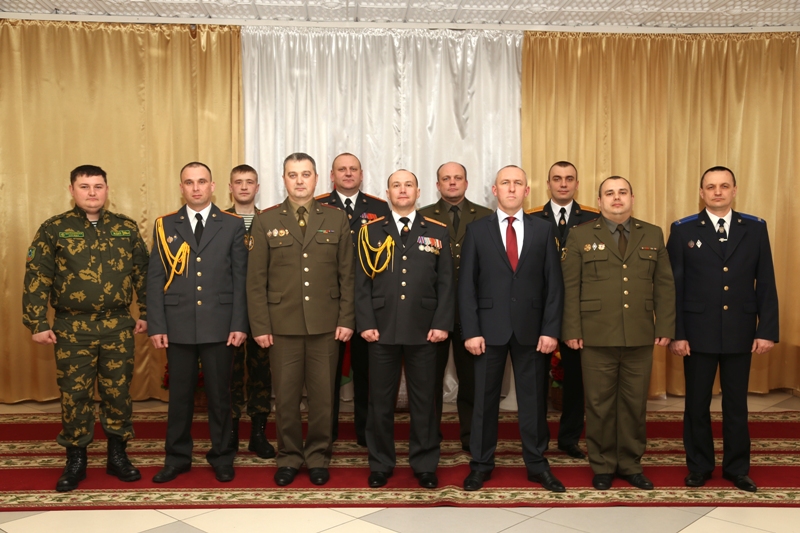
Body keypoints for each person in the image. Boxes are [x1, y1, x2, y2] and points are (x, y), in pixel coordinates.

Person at [23, 164, 148, 492]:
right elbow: (37, 276)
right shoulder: (55, 228)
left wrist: (149, 313)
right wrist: (37, 322)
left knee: (117, 392)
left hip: (117, 324)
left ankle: (117, 455)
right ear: (71, 190)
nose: (92, 193)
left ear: (107, 189)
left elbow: (143, 274)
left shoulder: (125, 228)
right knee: (74, 394)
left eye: (98, 186)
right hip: (72, 326)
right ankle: (76, 459)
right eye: (84, 186)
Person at [667, 166, 779, 493]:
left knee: (736, 405)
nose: (718, 192)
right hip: (696, 333)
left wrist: (766, 329)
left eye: (724, 186)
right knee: (696, 404)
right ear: (701, 192)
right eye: (711, 187)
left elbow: (766, 281)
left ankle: (737, 469)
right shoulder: (683, 230)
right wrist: (677, 333)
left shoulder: (755, 228)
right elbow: (673, 287)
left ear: (734, 190)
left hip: (740, 331)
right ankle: (699, 466)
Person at [247, 152, 355, 487]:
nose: (299, 181)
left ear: (317, 178)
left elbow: (347, 275)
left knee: (323, 399)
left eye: (305, 174)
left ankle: (319, 456)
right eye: (292, 175)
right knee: (286, 399)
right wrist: (260, 326)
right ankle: (290, 457)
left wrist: (347, 319)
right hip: (282, 326)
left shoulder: (336, 219)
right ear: (283, 179)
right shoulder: (266, 220)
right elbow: (256, 281)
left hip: (326, 325)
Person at [561, 176, 675, 491]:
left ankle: (631, 464)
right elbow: (570, 286)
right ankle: (602, 465)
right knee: (599, 404)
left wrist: (665, 325)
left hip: (639, 334)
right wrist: (571, 329)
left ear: (632, 198)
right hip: (595, 335)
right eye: (609, 193)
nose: (616, 198)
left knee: (634, 404)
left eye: (622, 192)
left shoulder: (652, 233)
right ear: (599, 201)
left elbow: (664, 284)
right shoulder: (580, 235)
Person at [459, 165, 565, 492]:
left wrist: (550, 330)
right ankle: (480, 464)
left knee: (533, 402)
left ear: (527, 191)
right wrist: (471, 331)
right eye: (505, 183)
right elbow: (467, 286)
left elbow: (554, 285)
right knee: (484, 401)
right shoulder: (477, 230)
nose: (511, 188)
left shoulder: (543, 230)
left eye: (518, 183)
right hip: (487, 331)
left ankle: (537, 463)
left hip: (532, 331)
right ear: (495, 190)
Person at [148, 161, 248, 484]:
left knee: (220, 397)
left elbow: (241, 278)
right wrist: (157, 325)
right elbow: (155, 278)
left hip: (220, 324)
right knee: (179, 398)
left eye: (201, 181)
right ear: (181, 188)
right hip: (177, 325)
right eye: (189, 182)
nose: (195, 188)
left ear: (212, 186)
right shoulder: (165, 225)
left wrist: (239, 323)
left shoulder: (232, 224)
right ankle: (177, 458)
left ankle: (222, 456)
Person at [355, 170, 454, 489]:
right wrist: (366, 322)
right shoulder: (370, 231)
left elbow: (446, 283)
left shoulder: (437, 230)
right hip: (380, 329)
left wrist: (441, 323)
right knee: (379, 402)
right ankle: (380, 463)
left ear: (418, 192)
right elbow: (361, 283)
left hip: (424, 330)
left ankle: (425, 463)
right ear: (387, 193)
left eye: (408, 185)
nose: (402, 190)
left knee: (424, 402)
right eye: (396, 185)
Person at [316, 153, 391, 446]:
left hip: (367, 302)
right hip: (327, 301)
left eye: (353, 169)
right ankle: (327, 432)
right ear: (332, 175)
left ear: (361, 174)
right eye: (342, 169)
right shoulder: (318, 205)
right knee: (326, 375)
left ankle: (365, 432)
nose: (348, 174)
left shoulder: (379, 207)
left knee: (366, 372)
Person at [527, 161, 599, 460]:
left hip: (577, 311)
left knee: (575, 379)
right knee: (535, 379)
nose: (563, 184)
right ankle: (537, 438)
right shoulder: (532, 218)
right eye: (557, 179)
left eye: (569, 178)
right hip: (538, 311)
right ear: (548, 184)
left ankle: (569, 437)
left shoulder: (593, 219)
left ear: (577, 184)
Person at [420, 161, 492, 453]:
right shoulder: (423, 216)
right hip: (432, 313)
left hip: (471, 313)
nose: (452, 182)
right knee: (429, 382)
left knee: (472, 381)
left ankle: (471, 437)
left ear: (466, 182)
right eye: (446, 178)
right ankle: (429, 438)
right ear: (437, 185)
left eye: (457, 178)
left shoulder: (486, 216)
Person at [225, 164, 274, 459]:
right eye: (238, 182)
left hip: (262, 310)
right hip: (228, 310)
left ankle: (258, 433)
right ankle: (230, 433)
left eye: (249, 182)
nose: (244, 187)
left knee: (261, 373)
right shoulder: (218, 220)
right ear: (230, 187)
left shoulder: (269, 221)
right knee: (229, 373)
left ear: (257, 188)